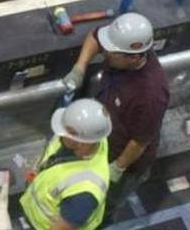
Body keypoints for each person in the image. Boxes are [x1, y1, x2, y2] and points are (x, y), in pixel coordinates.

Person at [62, 12, 169, 203]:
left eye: (112, 51)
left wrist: (117, 168)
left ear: (133, 58)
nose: (105, 53)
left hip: (122, 158)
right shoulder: (123, 50)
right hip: (103, 137)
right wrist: (80, 67)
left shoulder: (150, 95)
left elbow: (140, 141)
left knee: (105, 200)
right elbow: (95, 37)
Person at [16, 98, 112, 230]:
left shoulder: (85, 190)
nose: (60, 134)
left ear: (82, 142)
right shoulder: (93, 139)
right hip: (40, 217)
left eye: (66, 133)